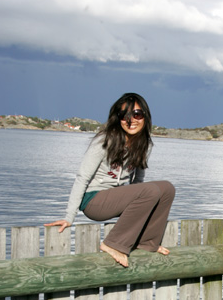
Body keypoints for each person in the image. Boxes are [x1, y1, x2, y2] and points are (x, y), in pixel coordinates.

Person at [45, 93, 175, 267]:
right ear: (118, 118)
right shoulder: (104, 140)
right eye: (124, 116)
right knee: (150, 190)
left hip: (118, 200)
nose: (131, 120)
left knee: (167, 188)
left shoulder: (145, 144)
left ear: (145, 116)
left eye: (137, 114)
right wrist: (69, 217)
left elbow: (138, 183)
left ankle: (148, 243)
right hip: (94, 201)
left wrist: (139, 205)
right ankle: (112, 244)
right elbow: (82, 178)